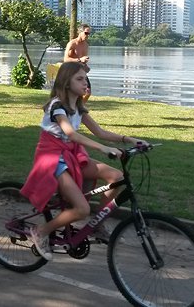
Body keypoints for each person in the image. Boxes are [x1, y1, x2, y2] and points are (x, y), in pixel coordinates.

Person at [18, 61, 146, 261]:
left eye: (85, 78)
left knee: (117, 176)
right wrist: (102, 148)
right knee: (81, 209)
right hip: (53, 157)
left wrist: (128, 139)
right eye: (79, 78)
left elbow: (100, 132)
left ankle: (96, 224)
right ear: (66, 82)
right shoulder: (56, 106)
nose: (84, 82)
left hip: (71, 154)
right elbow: (71, 134)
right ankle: (41, 231)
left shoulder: (78, 107)